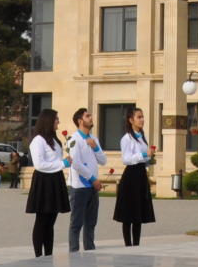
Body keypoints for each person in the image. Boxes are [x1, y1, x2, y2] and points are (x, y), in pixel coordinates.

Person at [25, 110, 69, 258]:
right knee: (42, 220)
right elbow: (39, 164)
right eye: (56, 119)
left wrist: (64, 162)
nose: (58, 121)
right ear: (48, 120)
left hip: (55, 179)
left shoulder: (55, 140)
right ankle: (38, 255)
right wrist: (62, 163)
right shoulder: (38, 140)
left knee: (51, 220)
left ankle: (48, 253)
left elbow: (54, 160)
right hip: (44, 181)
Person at [114, 107, 157, 247]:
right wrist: (144, 155)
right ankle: (128, 245)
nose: (142, 119)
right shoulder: (126, 138)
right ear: (131, 120)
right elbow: (126, 159)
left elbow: (143, 158)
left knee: (138, 212)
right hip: (131, 177)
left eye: (142, 116)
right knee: (128, 214)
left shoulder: (142, 136)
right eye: (139, 117)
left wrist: (149, 158)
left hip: (140, 176)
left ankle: (137, 244)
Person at [65, 108, 104, 253]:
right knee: (76, 222)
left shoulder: (94, 139)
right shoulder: (73, 139)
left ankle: (90, 250)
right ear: (80, 121)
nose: (91, 117)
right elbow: (76, 163)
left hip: (92, 188)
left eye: (90, 115)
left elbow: (103, 160)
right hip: (79, 187)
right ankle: (74, 251)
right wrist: (93, 179)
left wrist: (95, 147)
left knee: (91, 222)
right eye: (87, 116)